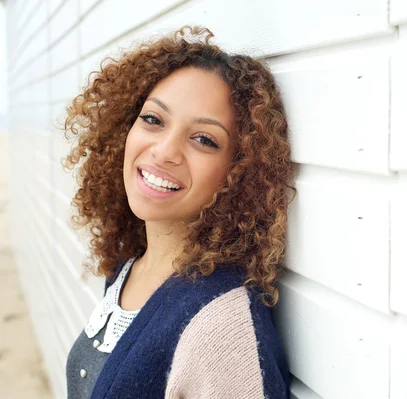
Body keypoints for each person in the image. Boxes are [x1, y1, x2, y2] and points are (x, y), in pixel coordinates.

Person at [62, 26, 294, 398]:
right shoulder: (129, 267)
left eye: (204, 140)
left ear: (237, 172)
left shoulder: (220, 324)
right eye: (153, 120)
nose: (165, 151)